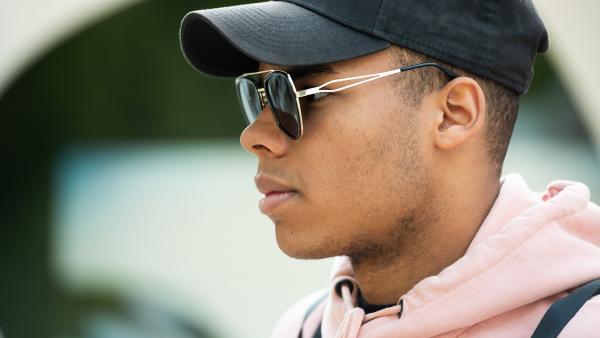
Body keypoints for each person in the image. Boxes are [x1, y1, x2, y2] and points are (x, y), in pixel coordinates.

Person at [179, 1, 600, 337]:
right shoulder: (302, 327)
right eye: (261, 94)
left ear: (453, 114)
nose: (254, 135)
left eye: (303, 93)